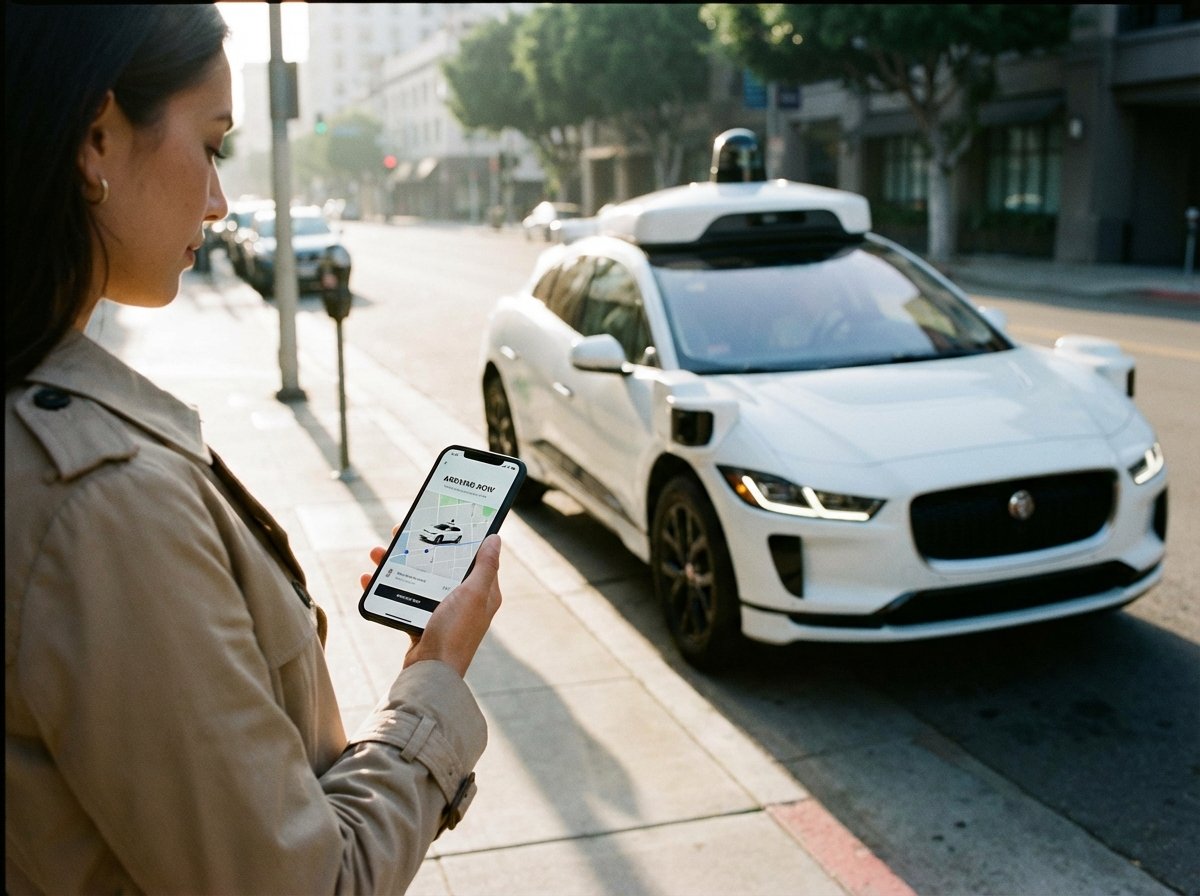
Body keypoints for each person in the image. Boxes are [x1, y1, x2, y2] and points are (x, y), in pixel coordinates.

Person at [5, 7, 503, 893]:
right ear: (96, 139)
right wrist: (432, 680)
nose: (219, 199)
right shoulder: (103, 501)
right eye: (213, 144)